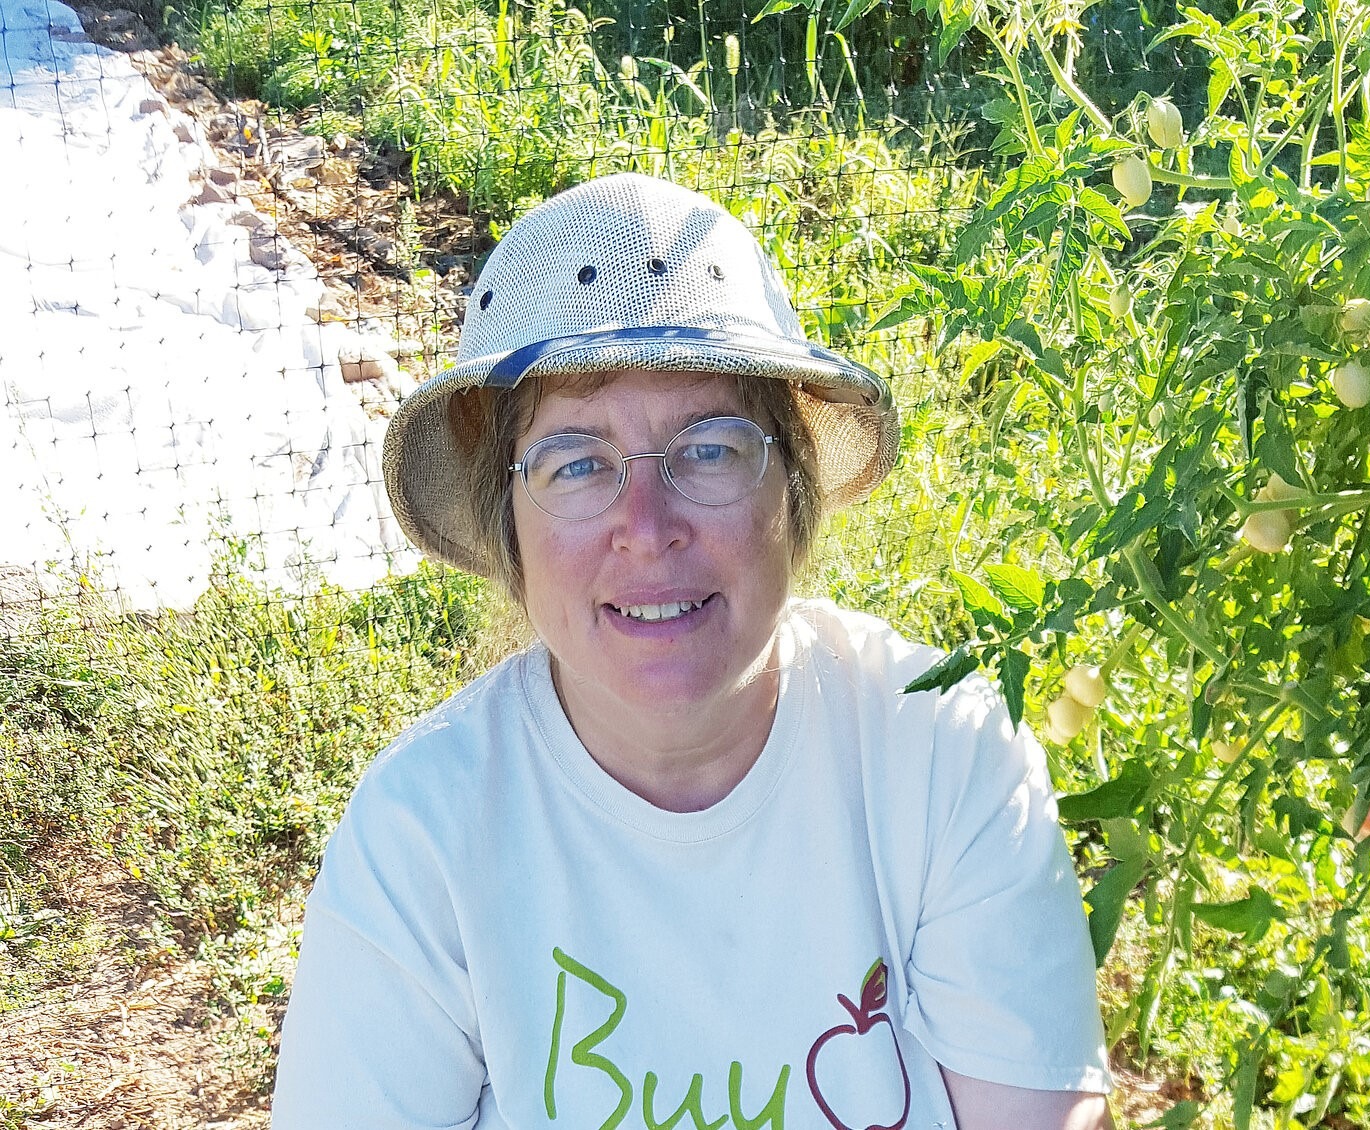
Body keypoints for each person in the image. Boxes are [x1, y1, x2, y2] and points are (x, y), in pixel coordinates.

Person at [271, 172, 1114, 1129]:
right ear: (508, 527)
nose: (647, 525)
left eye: (708, 447)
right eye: (577, 462)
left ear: (787, 489)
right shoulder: (422, 832)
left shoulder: (945, 753)